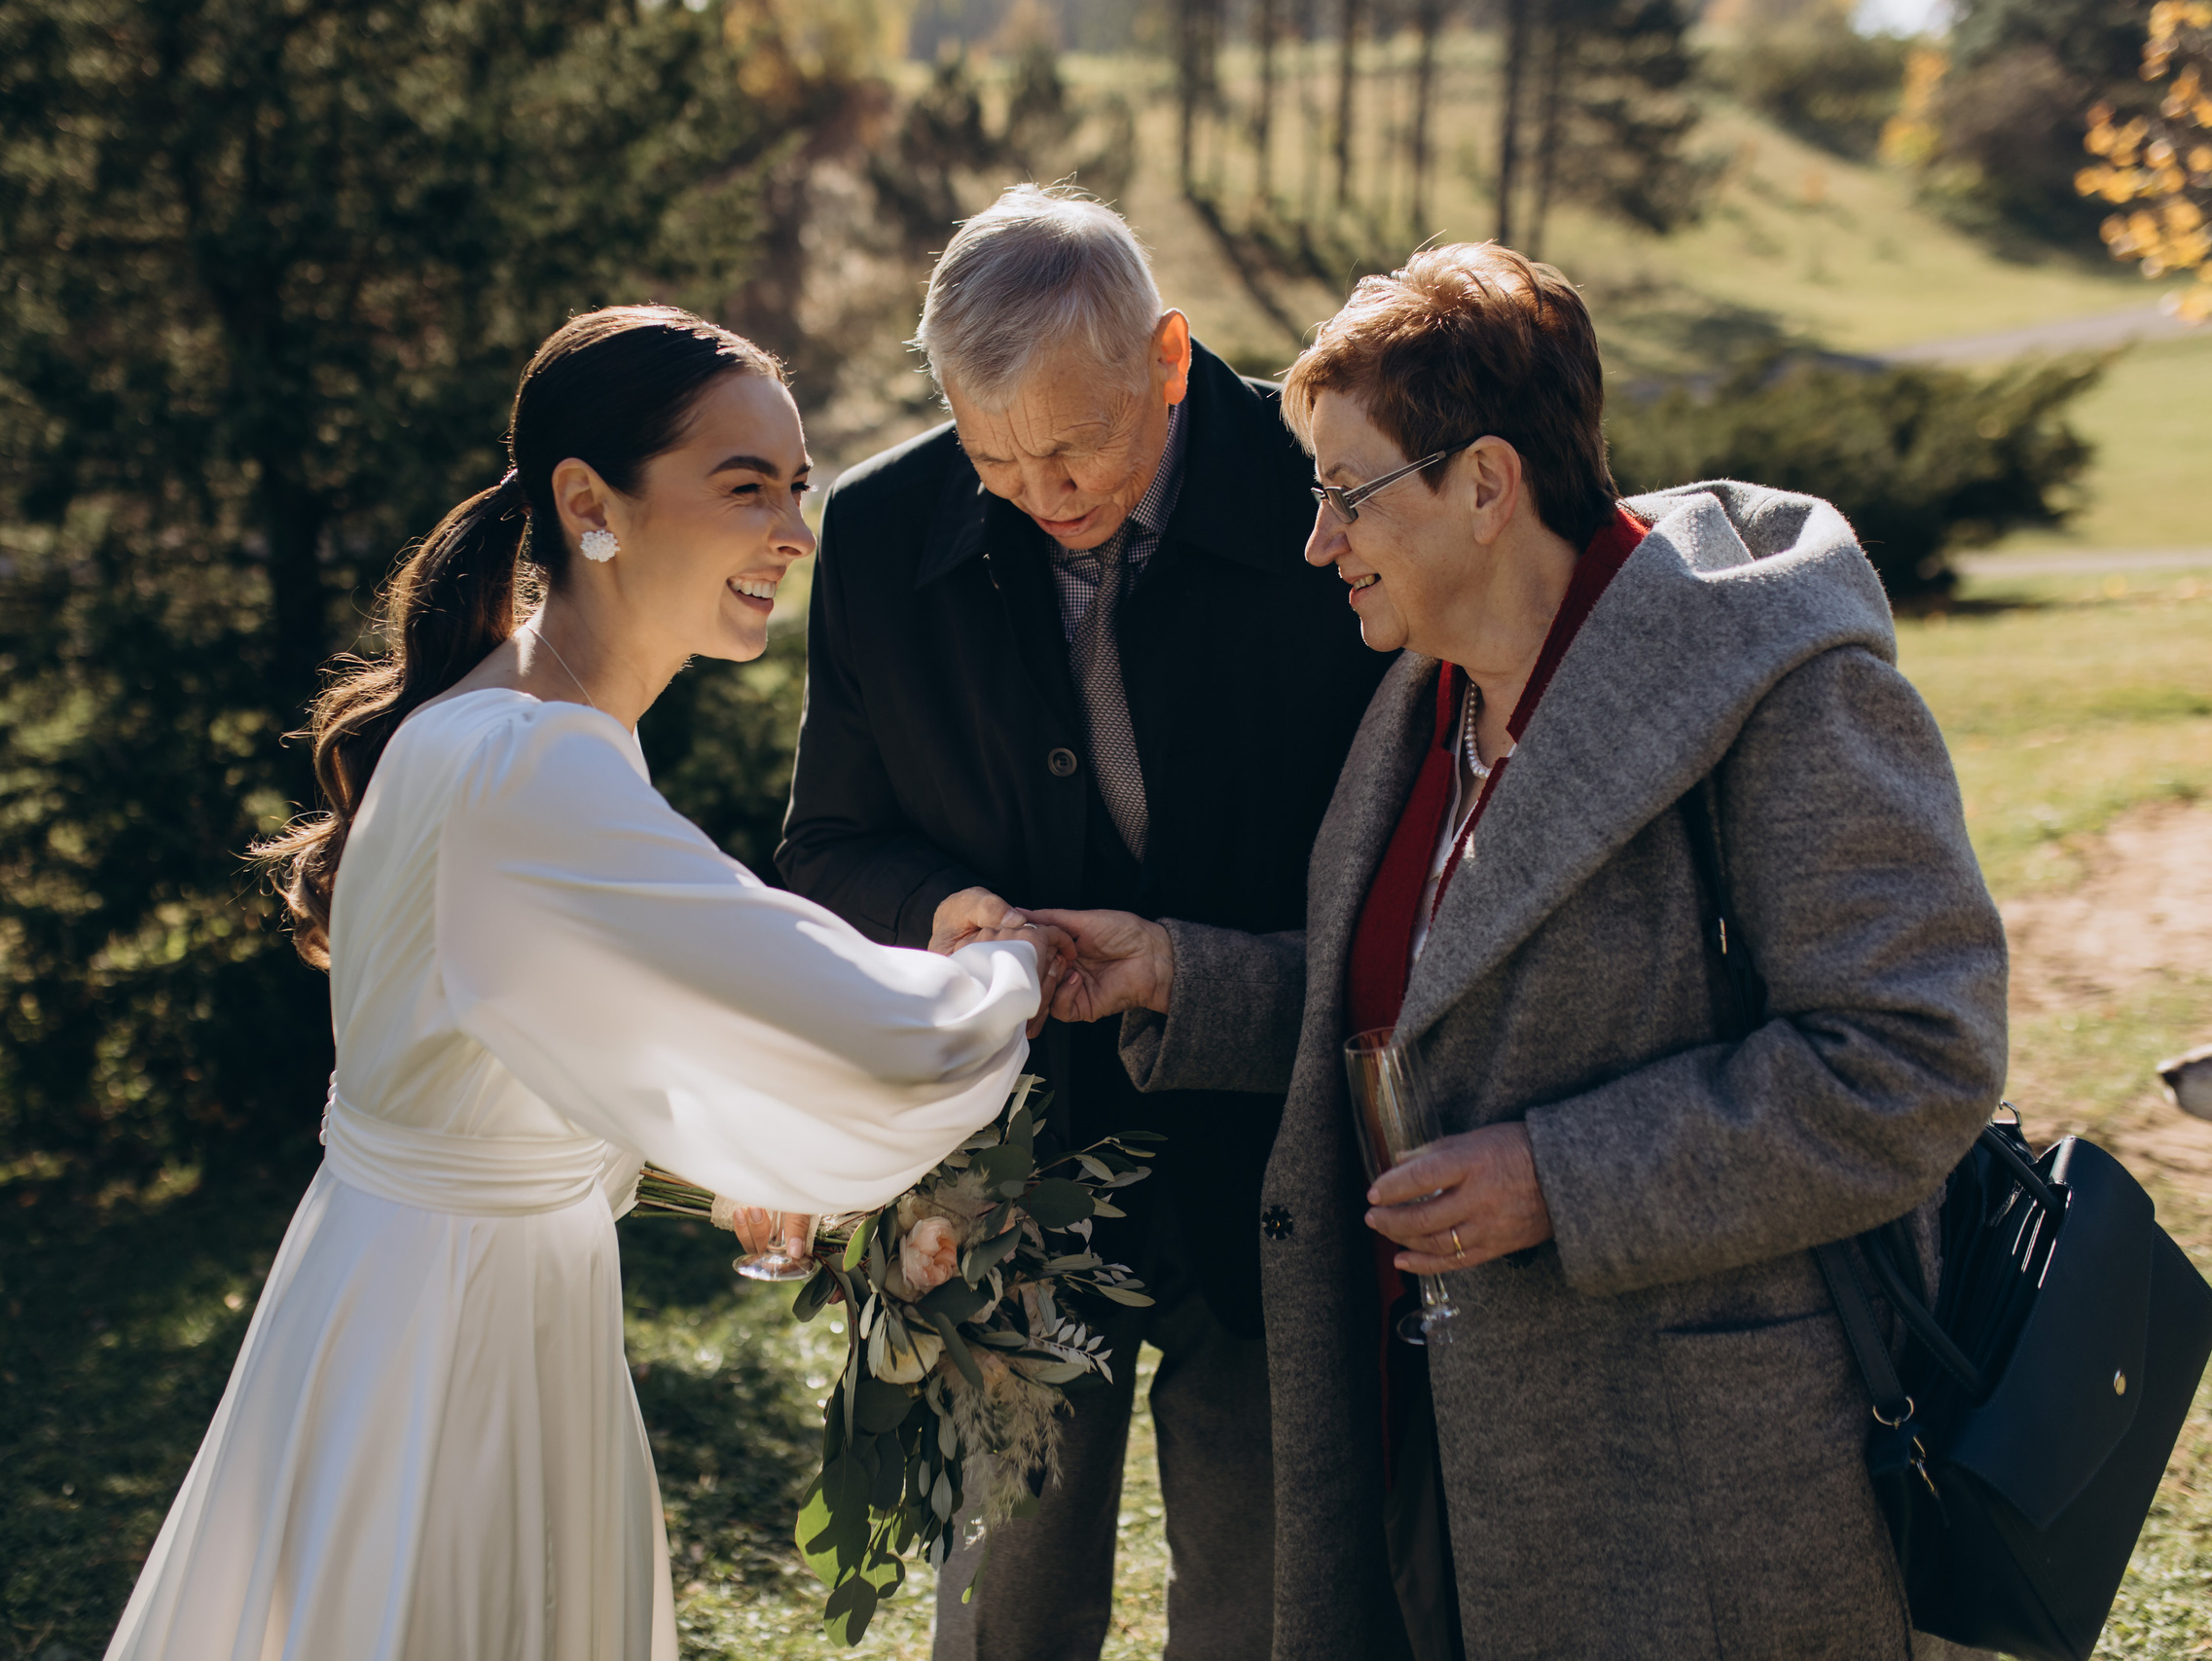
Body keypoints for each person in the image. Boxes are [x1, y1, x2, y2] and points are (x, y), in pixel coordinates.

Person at [1033, 244, 2010, 1661]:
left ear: (1486, 486)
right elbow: (1441, 1012)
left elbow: (1916, 1060)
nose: (1320, 544)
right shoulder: (1423, 704)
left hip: (1698, 1498)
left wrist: (1560, 1177)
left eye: (1348, 495)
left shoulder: (1786, 690)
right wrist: (1177, 976)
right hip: (1434, 1451)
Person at [103, 307, 1069, 1661]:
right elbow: (879, 1037)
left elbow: (533, 1046)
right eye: (744, 488)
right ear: (588, 503)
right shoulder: (531, 766)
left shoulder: (509, 728)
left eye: (797, 488)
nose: (793, 532)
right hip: (456, 1340)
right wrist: (1007, 961)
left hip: (412, 1292)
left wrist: (726, 1152)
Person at [777, 185, 1389, 1660]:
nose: (1041, 491)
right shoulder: (876, 537)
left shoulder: (1329, 490)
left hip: (1282, 1143)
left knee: (1263, 1593)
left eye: (1076, 445)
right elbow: (827, 848)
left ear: (1170, 358)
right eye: (995, 455)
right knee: (1007, 1596)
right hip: (1015, 1167)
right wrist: (947, 910)